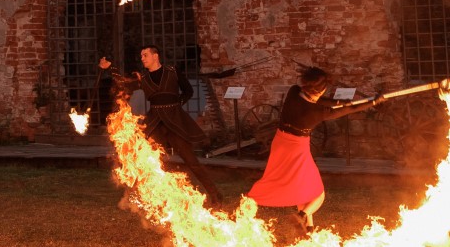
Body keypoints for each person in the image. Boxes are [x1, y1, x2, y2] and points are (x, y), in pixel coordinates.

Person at [248, 66, 380, 236]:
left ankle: (308, 232)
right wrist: (374, 102)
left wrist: (339, 103)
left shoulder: (294, 92)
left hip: (280, 143)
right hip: (297, 148)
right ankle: (301, 215)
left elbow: (319, 100)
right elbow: (348, 110)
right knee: (318, 193)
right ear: (321, 89)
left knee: (302, 188)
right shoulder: (317, 112)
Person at [100, 46, 225, 207]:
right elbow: (124, 82)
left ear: (155, 56)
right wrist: (110, 68)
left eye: (145, 55)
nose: (143, 58)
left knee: (191, 160)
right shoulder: (143, 78)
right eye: (141, 56)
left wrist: (177, 104)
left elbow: (188, 91)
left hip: (175, 122)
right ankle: (160, 198)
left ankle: (215, 193)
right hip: (155, 123)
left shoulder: (172, 72)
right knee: (152, 160)